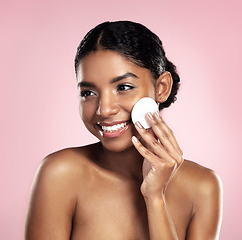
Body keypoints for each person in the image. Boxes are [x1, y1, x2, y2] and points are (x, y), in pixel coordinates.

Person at [25, 21, 222, 239]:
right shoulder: (61, 174)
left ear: (161, 88)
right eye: (88, 93)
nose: (104, 109)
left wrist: (155, 197)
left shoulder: (203, 188)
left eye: (123, 87)